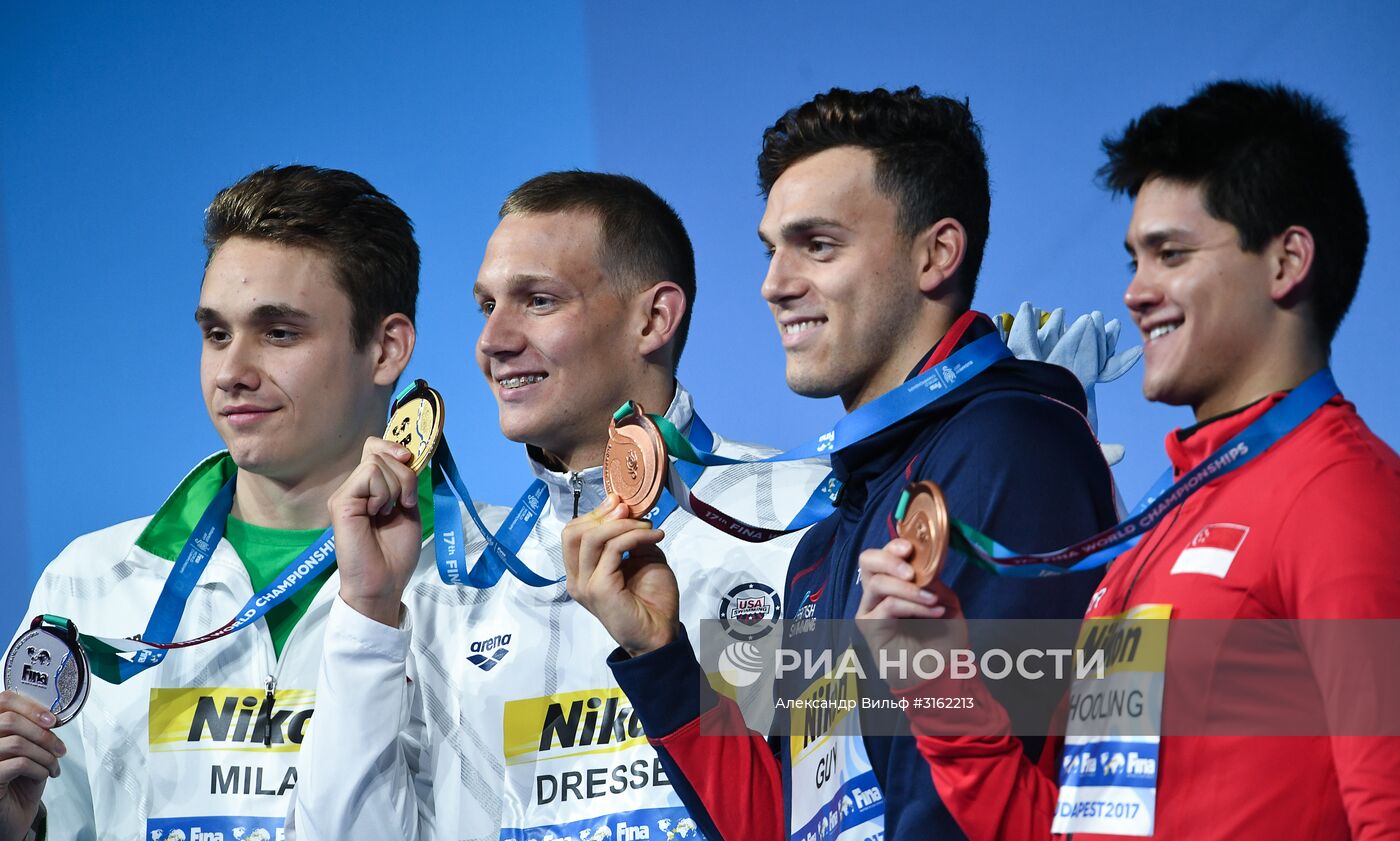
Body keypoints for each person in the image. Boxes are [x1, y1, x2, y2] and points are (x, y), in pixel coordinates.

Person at [564, 86, 1123, 841]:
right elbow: (793, 821)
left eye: (817, 245)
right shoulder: (823, 545)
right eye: (772, 249)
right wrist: (660, 655)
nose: (774, 283)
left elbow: (983, 800)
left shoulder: (1013, 449)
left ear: (937, 254)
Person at [867, 80, 1400, 839]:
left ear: (1287, 262)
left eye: (1171, 255)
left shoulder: (1343, 495)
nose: (1134, 293)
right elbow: (1051, 825)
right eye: (1133, 259)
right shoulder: (1157, 531)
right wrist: (937, 678)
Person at [291, 171, 833, 840]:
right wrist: (369, 614)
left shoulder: (812, 519)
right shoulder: (439, 582)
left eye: (538, 300)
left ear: (654, 318)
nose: (493, 341)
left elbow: (885, 807)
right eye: (486, 305)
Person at [0, 165, 437, 841]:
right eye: (216, 333)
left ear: (386, 348)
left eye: (280, 333)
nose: (232, 371)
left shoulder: (491, 583)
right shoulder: (89, 583)